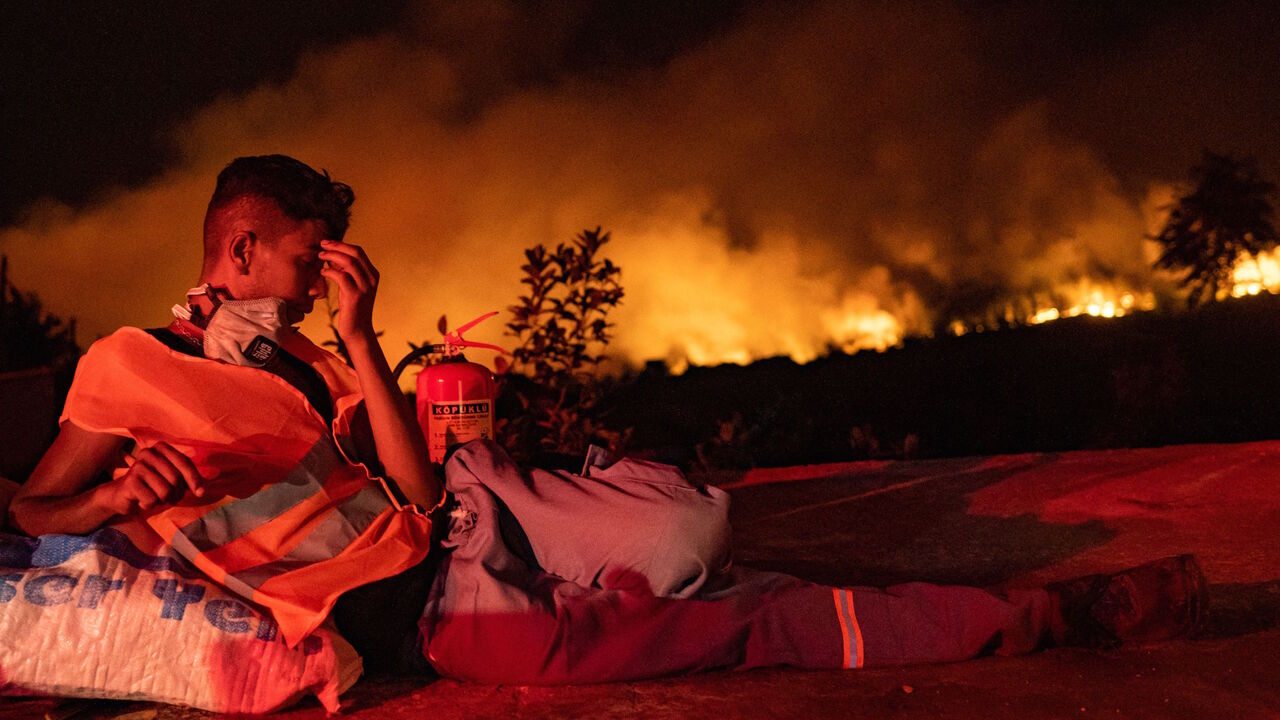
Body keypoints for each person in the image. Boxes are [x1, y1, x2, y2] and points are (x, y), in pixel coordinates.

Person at [8, 155, 1207, 686]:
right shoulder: (127, 365)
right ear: (240, 248)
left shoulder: (315, 358)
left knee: (693, 534)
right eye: (310, 260)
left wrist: (364, 346)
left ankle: (621, 516)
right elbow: (25, 506)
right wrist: (109, 502)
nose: (326, 278)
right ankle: (1059, 616)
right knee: (740, 625)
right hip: (431, 610)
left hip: (459, 518)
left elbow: (419, 494)